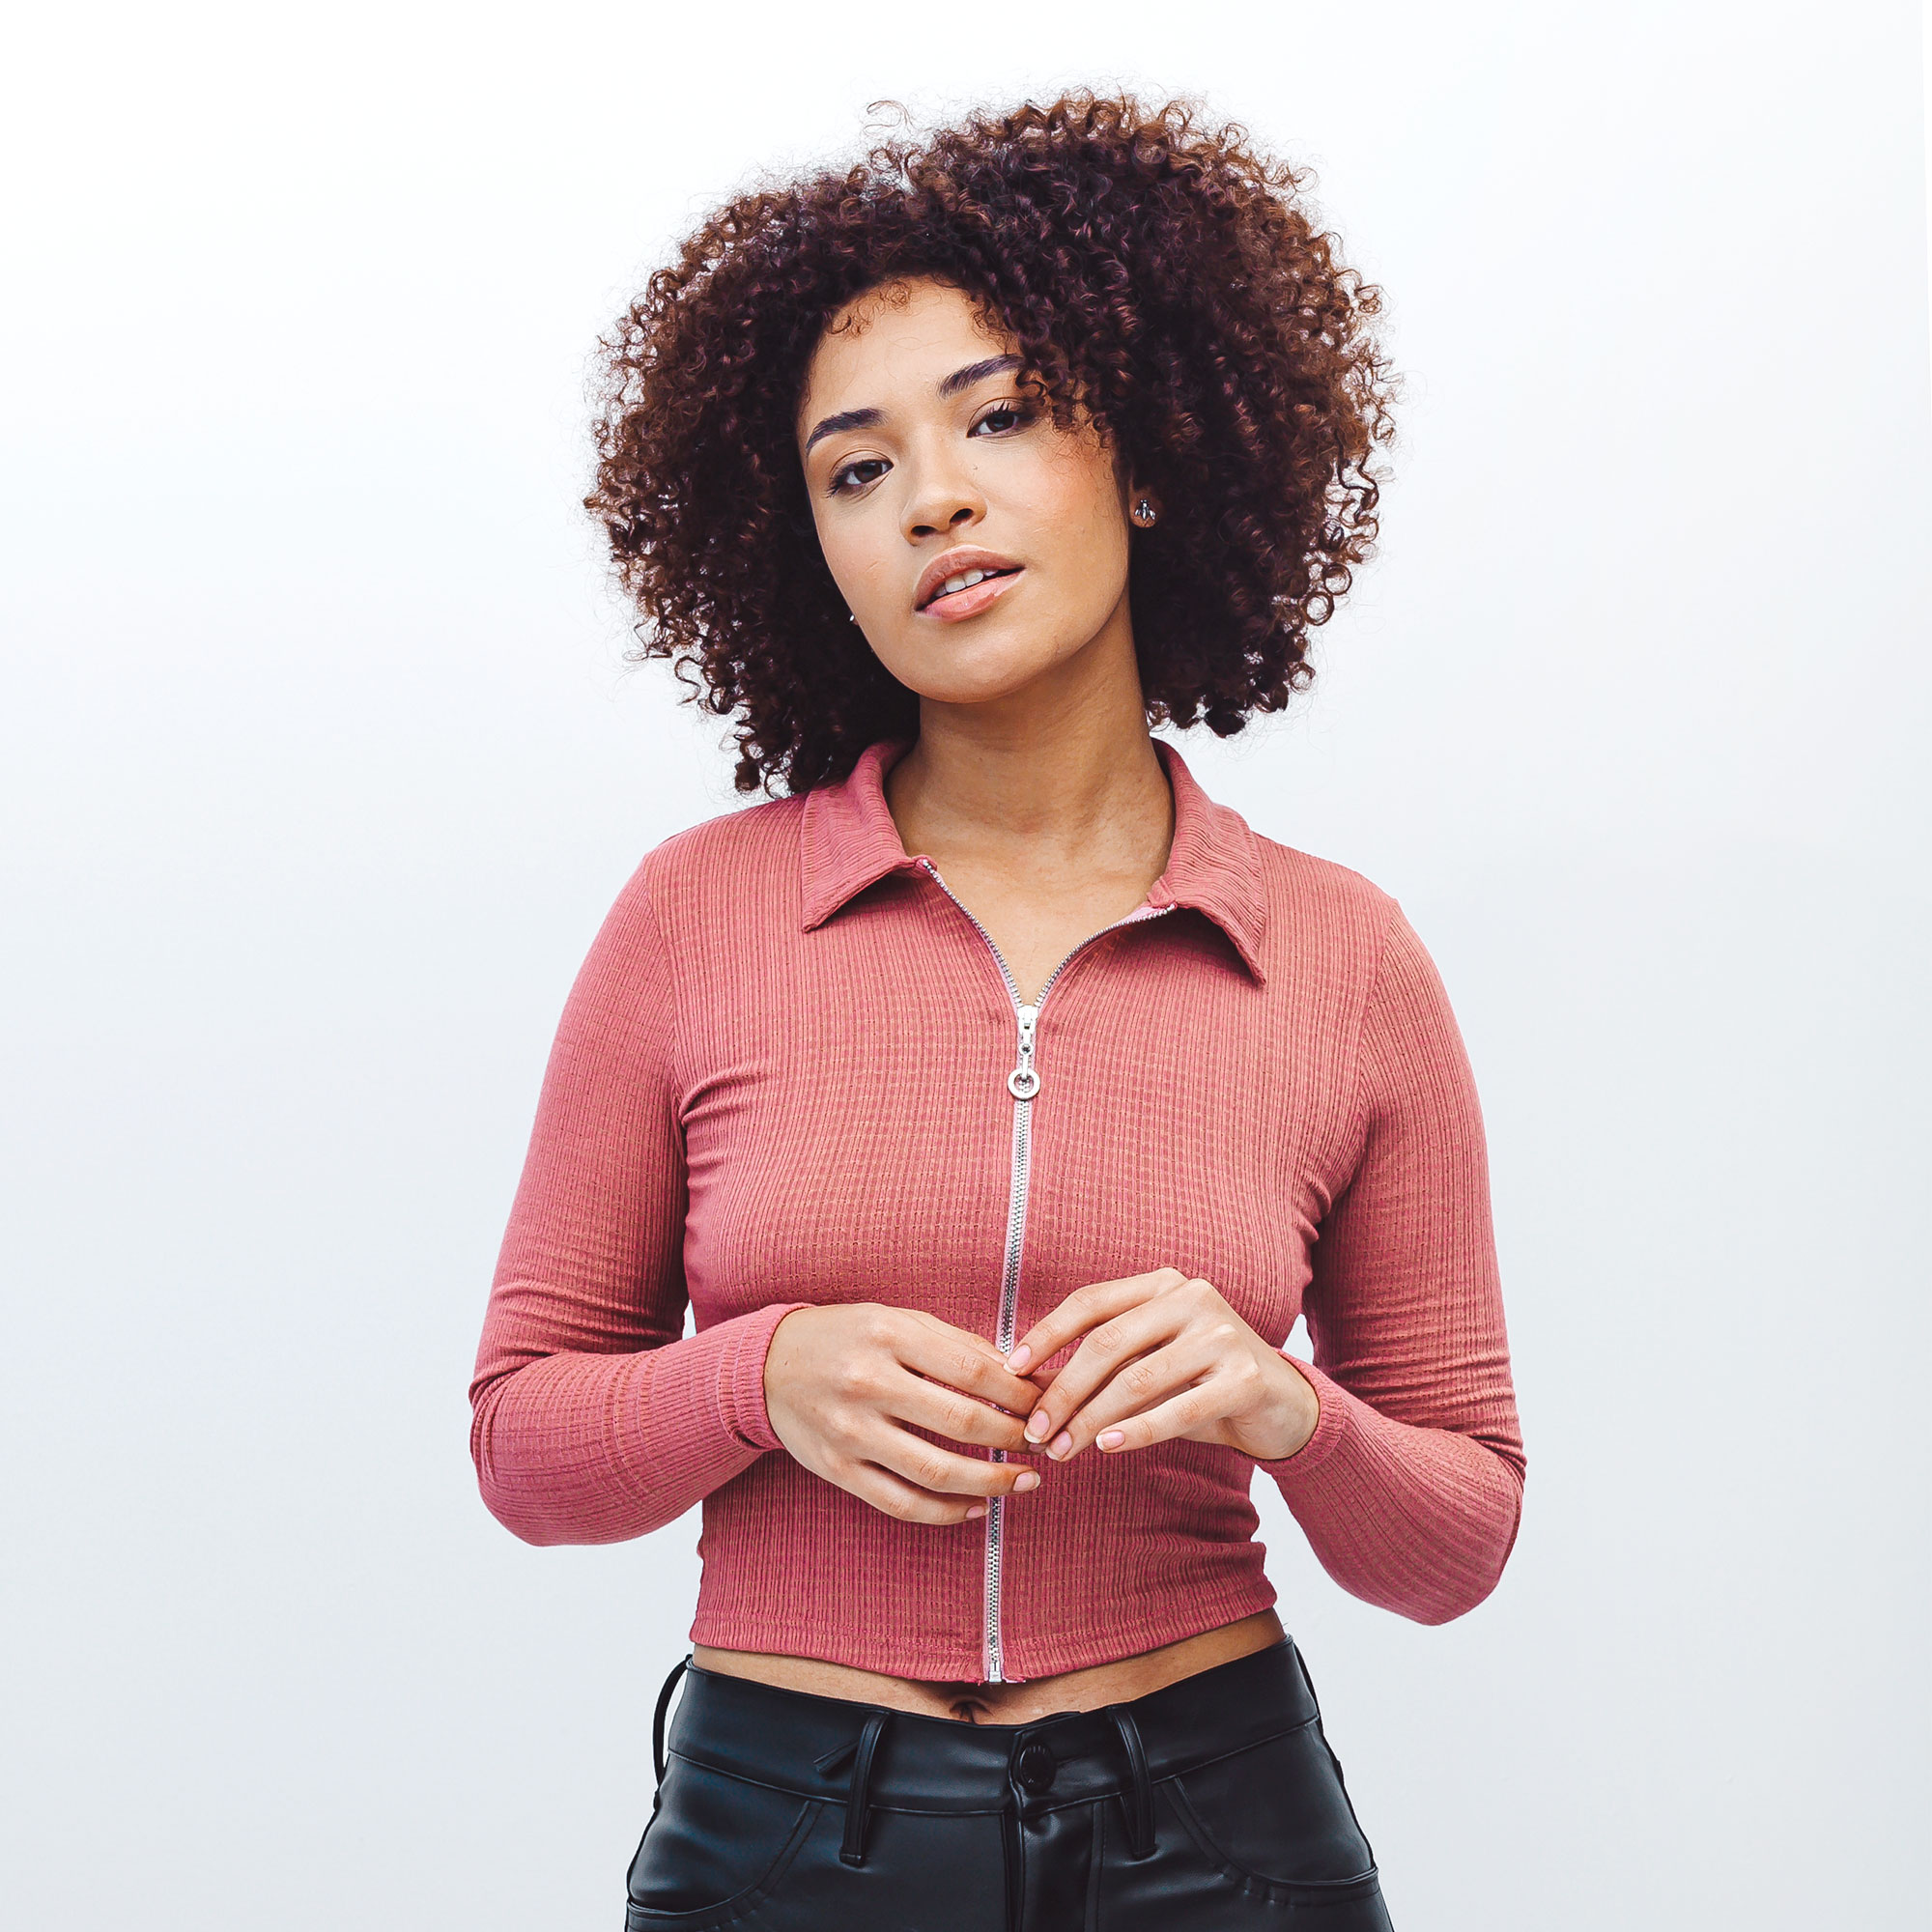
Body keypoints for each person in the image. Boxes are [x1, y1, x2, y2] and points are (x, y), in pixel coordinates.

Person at [469, 92, 1524, 1930]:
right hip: (786, 1829)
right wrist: (757, 1378)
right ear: (808, 551)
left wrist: (1290, 1409)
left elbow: (1459, 1541)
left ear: (1148, 454)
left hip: (1221, 1825)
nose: (934, 496)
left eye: (1002, 415)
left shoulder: (1343, 957)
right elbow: (523, 1446)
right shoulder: (696, 918)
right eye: (855, 469)